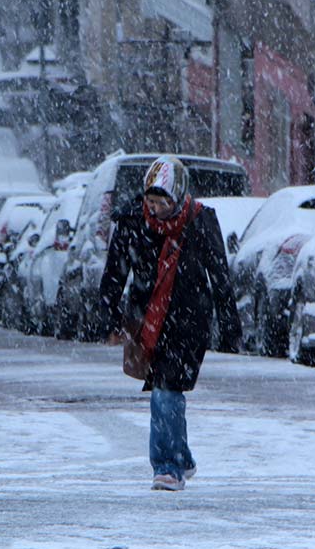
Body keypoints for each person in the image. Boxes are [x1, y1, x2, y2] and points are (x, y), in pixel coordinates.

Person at [97, 156, 242, 491]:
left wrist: (230, 325)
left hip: (188, 321)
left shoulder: (200, 220)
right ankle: (183, 455)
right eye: (152, 201)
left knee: (165, 391)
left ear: (179, 198)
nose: (157, 209)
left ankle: (167, 466)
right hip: (146, 320)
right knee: (167, 392)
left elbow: (220, 276)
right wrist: (109, 319)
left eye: (164, 202)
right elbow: (114, 275)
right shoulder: (132, 221)